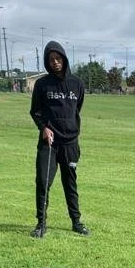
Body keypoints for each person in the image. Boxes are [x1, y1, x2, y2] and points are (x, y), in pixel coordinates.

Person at [29, 40, 89, 237]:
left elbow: (76, 109)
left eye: (58, 58)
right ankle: (41, 224)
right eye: (51, 59)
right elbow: (35, 111)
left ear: (64, 58)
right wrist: (44, 127)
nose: (55, 62)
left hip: (70, 142)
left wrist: (69, 127)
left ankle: (76, 222)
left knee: (70, 182)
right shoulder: (42, 84)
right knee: (43, 181)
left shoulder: (77, 84)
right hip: (49, 143)